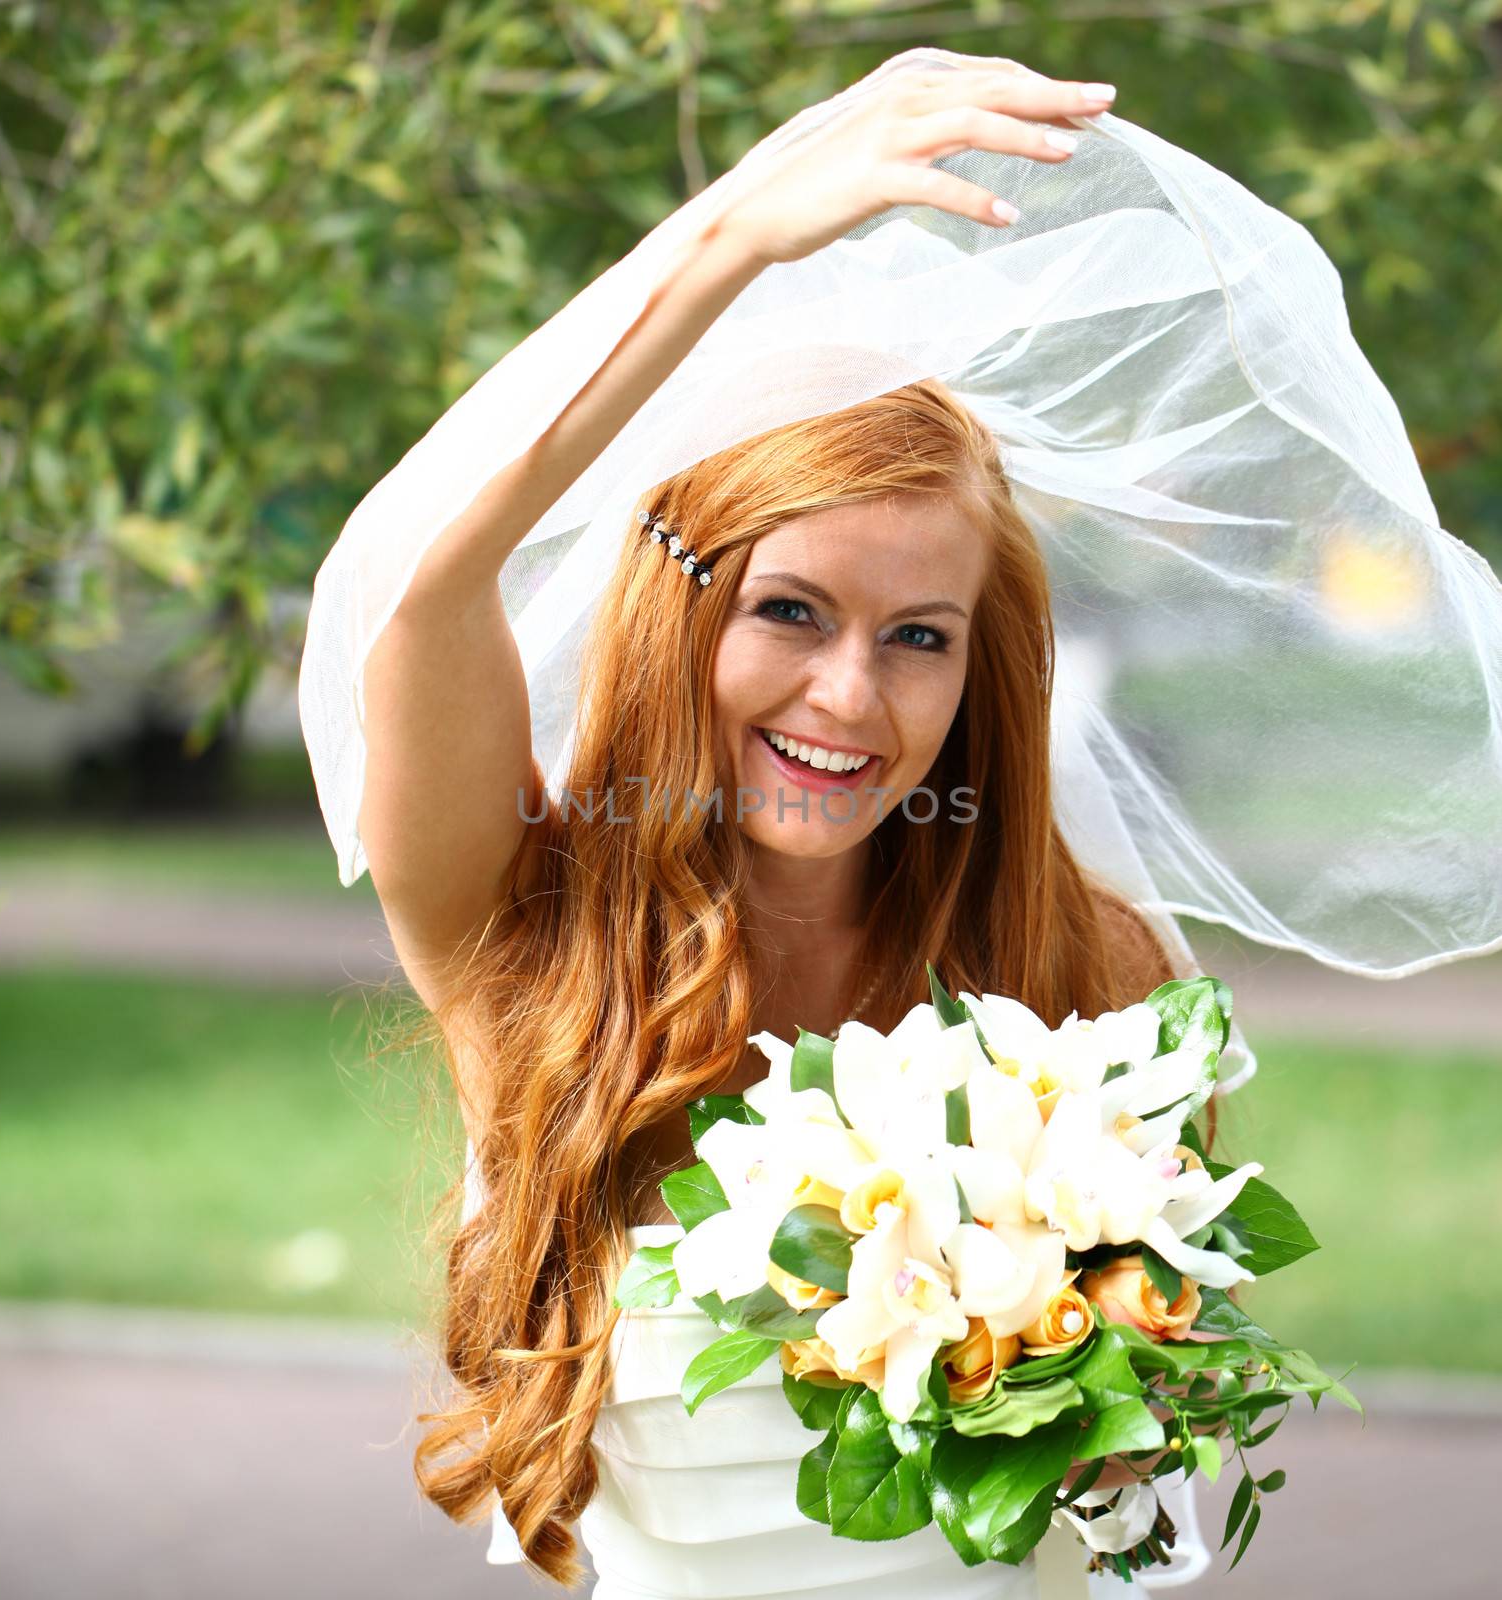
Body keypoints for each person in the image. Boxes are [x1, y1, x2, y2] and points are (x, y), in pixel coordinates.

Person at [300, 41, 1502, 1600]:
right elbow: (406, 590)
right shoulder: (525, 935)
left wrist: (1106, 1393)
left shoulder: (1086, 971)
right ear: (680, 619)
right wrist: (726, 237)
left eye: (917, 636)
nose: (850, 700)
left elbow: (1121, 1513)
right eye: (788, 611)